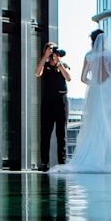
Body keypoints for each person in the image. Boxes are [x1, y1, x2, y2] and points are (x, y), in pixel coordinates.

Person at [49, 29, 111, 173]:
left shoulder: (89, 56)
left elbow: (83, 78)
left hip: (95, 92)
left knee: (94, 124)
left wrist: (95, 84)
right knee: (106, 123)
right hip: (108, 92)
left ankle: (92, 158)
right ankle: (105, 160)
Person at [35, 41, 71, 172]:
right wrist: (45, 57)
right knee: (45, 132)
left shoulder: (63, 65)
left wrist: (59, 63)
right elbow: (37, 73)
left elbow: (68, 78)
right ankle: (45, 162)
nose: (52, 53)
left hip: (61, 100)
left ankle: (62, 162)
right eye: (50, 50)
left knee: (61, 133)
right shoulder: (44, 65)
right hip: (48, 101)